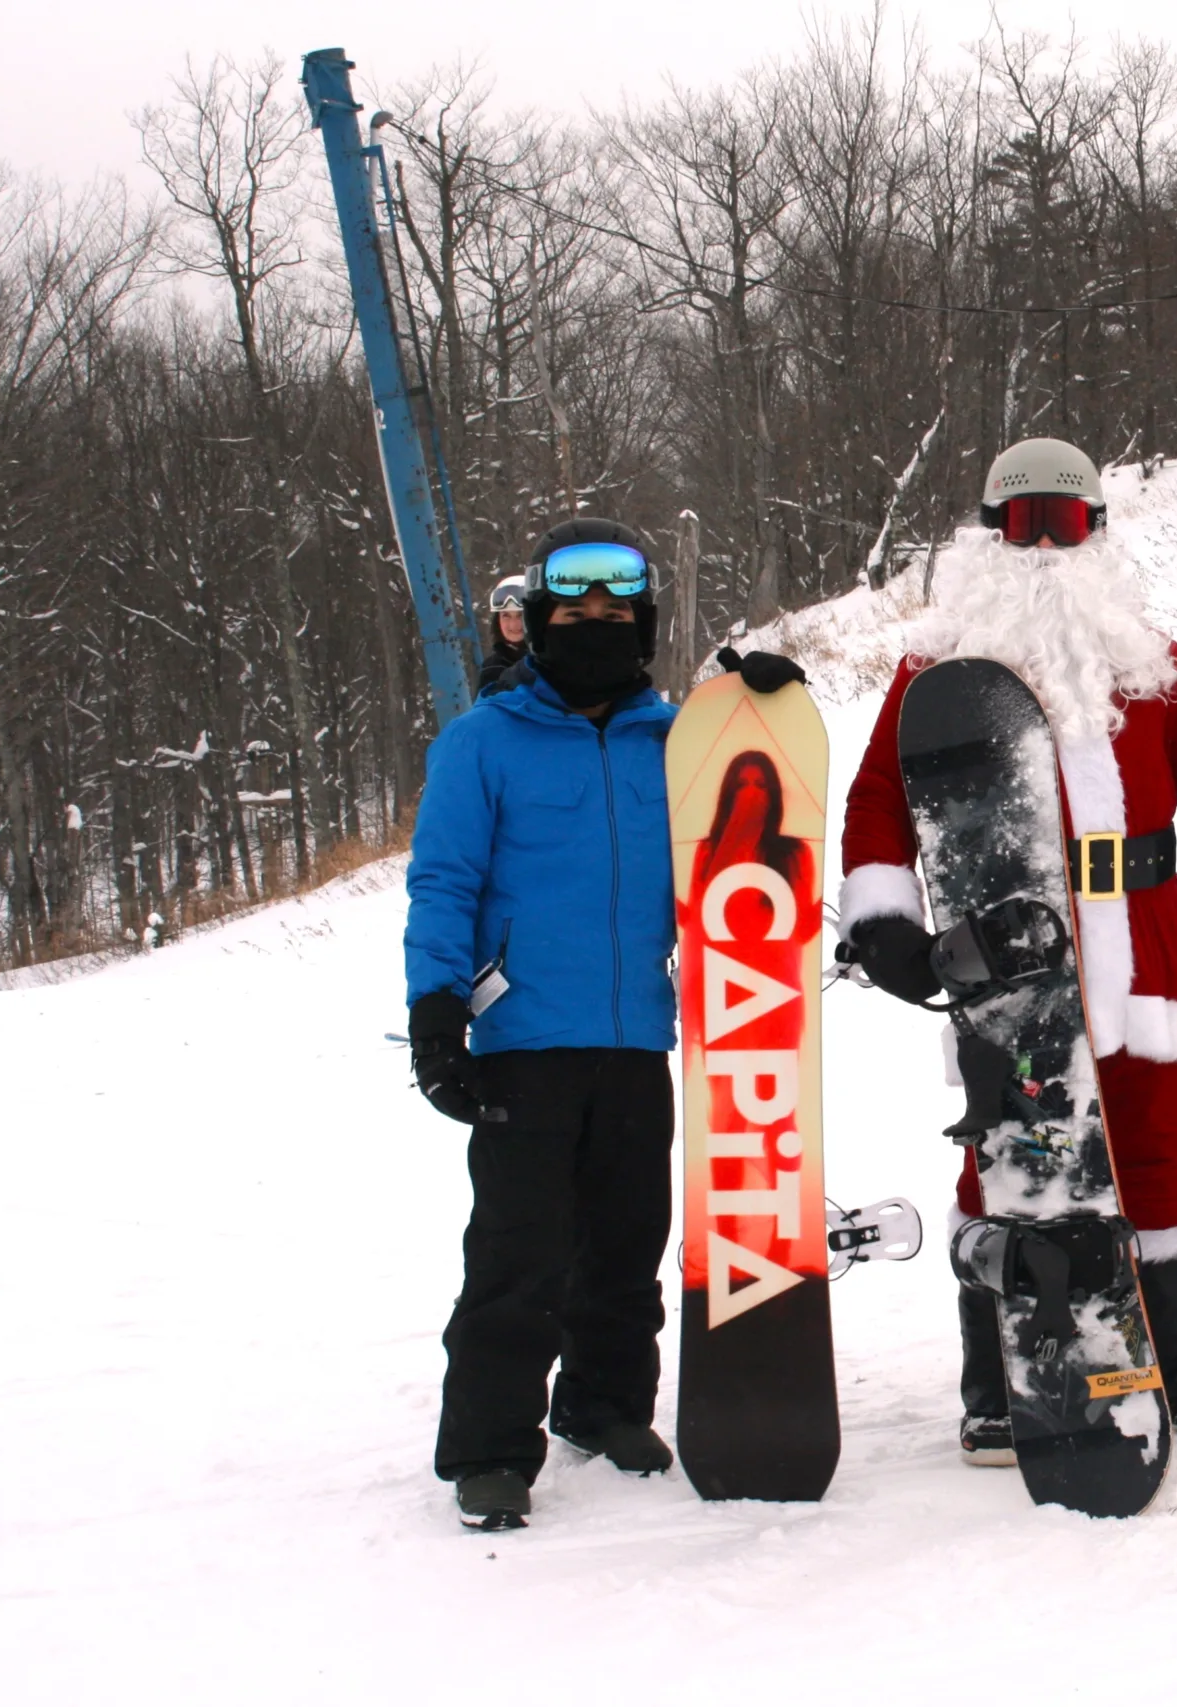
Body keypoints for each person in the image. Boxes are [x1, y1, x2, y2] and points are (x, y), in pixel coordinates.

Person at [836, 437, 1177, 1462]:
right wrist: (883, 918)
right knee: (1008, 1159)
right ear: (989, 535)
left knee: (1159, 1154)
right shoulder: (937, 665)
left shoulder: (1143, 655)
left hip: (1142, 943)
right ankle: (999, 1383)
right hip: (1009, 958)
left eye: (1064, 521)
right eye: (1023, 523)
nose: (1044, 545)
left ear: (1096, 531)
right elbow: (879, 795)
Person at [401, 517, 698, 1533]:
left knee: (625, 1246)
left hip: (633, 1037)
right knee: (519, 1256)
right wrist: (436, 1012)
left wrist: (761, 703)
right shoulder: (482, 742)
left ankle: (605, 1404)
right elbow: (443, 881)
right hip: (523, 1041)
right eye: (574, 616)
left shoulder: (677, 741)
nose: (596, 631)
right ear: (534, 624)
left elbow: (748, 833)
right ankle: (488, 1450)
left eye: (617, 617)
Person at [477, 573, 530, 695]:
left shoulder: (553, 656)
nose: (514, 625)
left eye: (520, 615)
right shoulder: (493, 668)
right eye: (506, 616)